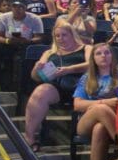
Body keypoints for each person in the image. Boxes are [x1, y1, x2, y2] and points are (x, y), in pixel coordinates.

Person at [23, 19, 91, 152]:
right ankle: (29, 138)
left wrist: (69, 69)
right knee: (41, 91)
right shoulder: (49, 53)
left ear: (72, 35)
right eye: (57, 36)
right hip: (57, 88)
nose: (61, 39)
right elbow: (35, 77)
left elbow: (91, 65)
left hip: (82, 86)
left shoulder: (86, 48)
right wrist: (37, 68)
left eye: (64, 35)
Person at [0, 0, 44, 91]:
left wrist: (28, 41)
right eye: (14, 6)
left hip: (26, 45)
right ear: (11, 7)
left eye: (20, 7)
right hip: (8, 43)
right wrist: (8, 41)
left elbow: (39, 37)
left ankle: (22, 87)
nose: (17, 9)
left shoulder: (35, 19)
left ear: (25, 8)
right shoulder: (2, 17)